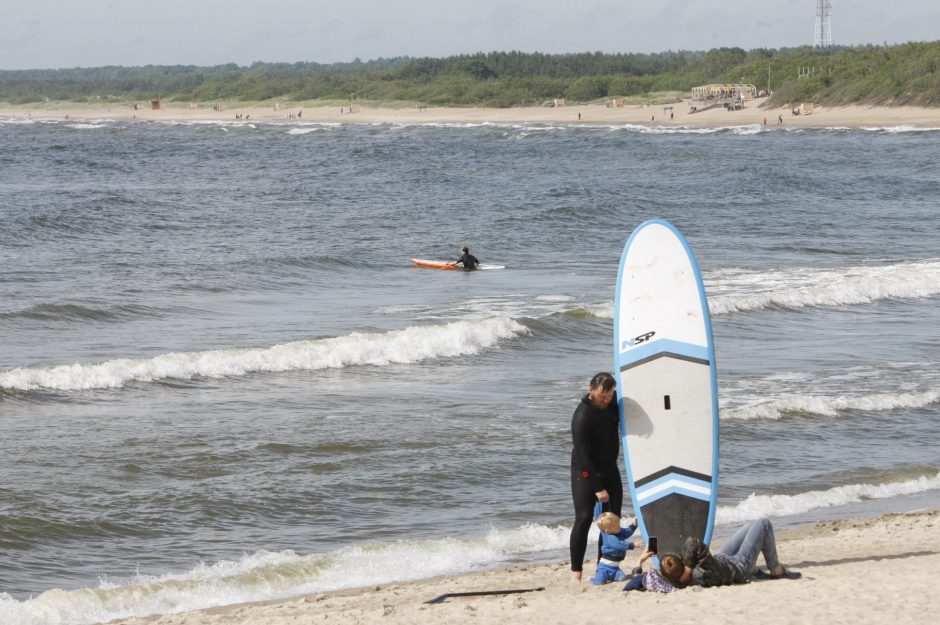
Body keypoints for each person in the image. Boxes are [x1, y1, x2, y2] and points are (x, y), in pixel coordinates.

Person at [569, 372, 622, 581]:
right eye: (602, 396)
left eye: (609, 396)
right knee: (583, 518)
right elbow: (582, 457)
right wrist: (598, 487)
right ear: (591, 390)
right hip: (585, 471)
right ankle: (576, 572)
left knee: (611, 521)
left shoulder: (612, 405)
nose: (606, 400)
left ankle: (604, 567)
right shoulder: (583, 415)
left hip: (610, 469)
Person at [658, 517, 801, 589]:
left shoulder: (677, 580)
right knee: (763, 523)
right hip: (739, 567)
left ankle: (755, 570)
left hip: (720, 560)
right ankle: (776, 570)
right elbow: (692, 542)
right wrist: (688, 570)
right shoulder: (697, 574)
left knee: (751, 524)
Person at [589, 511, 641, 585]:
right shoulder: (610, 538)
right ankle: (592, 579)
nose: (619, 528)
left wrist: (633, 525)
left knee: (622, 578)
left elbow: (626, 532)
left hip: (615, 568)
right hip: (604, 568)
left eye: (619, 525)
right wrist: (633, 545)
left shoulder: (618, 531)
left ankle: (612, 576)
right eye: (616, 527)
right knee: (599, 581)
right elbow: (620, 545)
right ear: (607, 530)